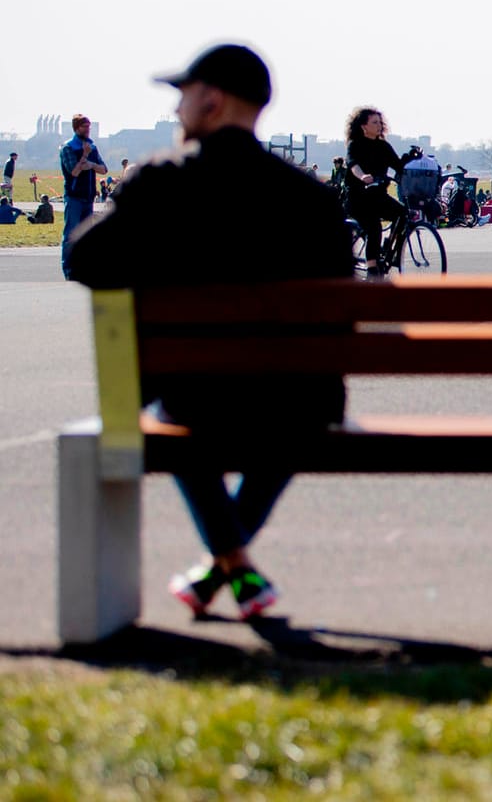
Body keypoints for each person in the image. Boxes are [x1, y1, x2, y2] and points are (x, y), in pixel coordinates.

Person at [67, 42, 354, 621]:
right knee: (298, 413)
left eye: (182, 98)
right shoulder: (314, 200)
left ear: (211, 101)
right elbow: (339, 316)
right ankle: (232, 566)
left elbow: (86, 263)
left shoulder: (159, 181)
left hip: (192, 394)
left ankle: (230, 563)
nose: (176, 112)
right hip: (295, 399)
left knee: (178, 414)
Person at [345, 107, 410, 275]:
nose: (379, 126)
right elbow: (353, 165)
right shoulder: (355, 145)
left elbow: (398, 165)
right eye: (374, 122)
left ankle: (389, 247)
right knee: (373, 228)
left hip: (378, 196)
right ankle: (372, 269)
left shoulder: (383, 146)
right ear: (363, 126)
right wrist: (363, 176)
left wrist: (410, 160)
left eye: (380, 122)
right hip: (358, 198)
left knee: (403, 214)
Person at [59, 115, 108, 279]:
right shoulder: (68, 147)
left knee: (86, 235)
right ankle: (69, 271)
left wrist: (92, 164)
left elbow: (103, 169)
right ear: (76, 128)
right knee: (71, 234)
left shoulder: (92, 146)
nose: (87, 130)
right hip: (74, 196)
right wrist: (84, 156)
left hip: (88, 196)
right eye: (83, 127)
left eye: (89, 127)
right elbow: (73, 171)